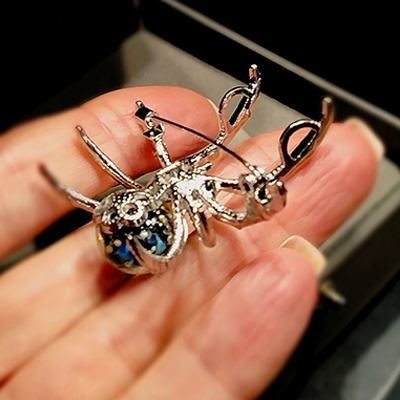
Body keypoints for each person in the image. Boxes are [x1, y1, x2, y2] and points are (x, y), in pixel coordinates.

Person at [0, 85, 382, 399]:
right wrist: (155, 131)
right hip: (134, 220)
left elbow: (234, 219)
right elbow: (208, 159)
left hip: (145, 227)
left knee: (209, 163)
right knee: (209, 149)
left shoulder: (198, 202)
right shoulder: (175, 185)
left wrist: (261, 204)